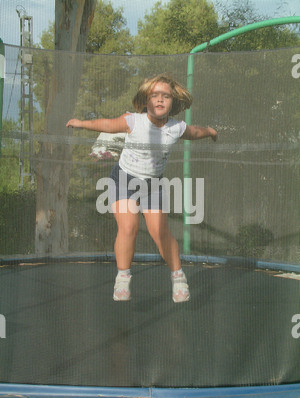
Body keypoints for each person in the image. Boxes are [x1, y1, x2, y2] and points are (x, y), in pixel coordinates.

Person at [66, 73, 218, 303]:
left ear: (173, 102)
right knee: (128, 228)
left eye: (165, 96)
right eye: (154, 95)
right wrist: (81, 123)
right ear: (145, 100)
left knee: (160, 233)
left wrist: (210, 132)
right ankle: (123, 277)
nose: (159, 100)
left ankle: (178, 278)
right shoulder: (133, 121)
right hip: (124, 179)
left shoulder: (176, 128)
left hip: (152, 184)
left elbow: (194, 132)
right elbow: (107, 124)